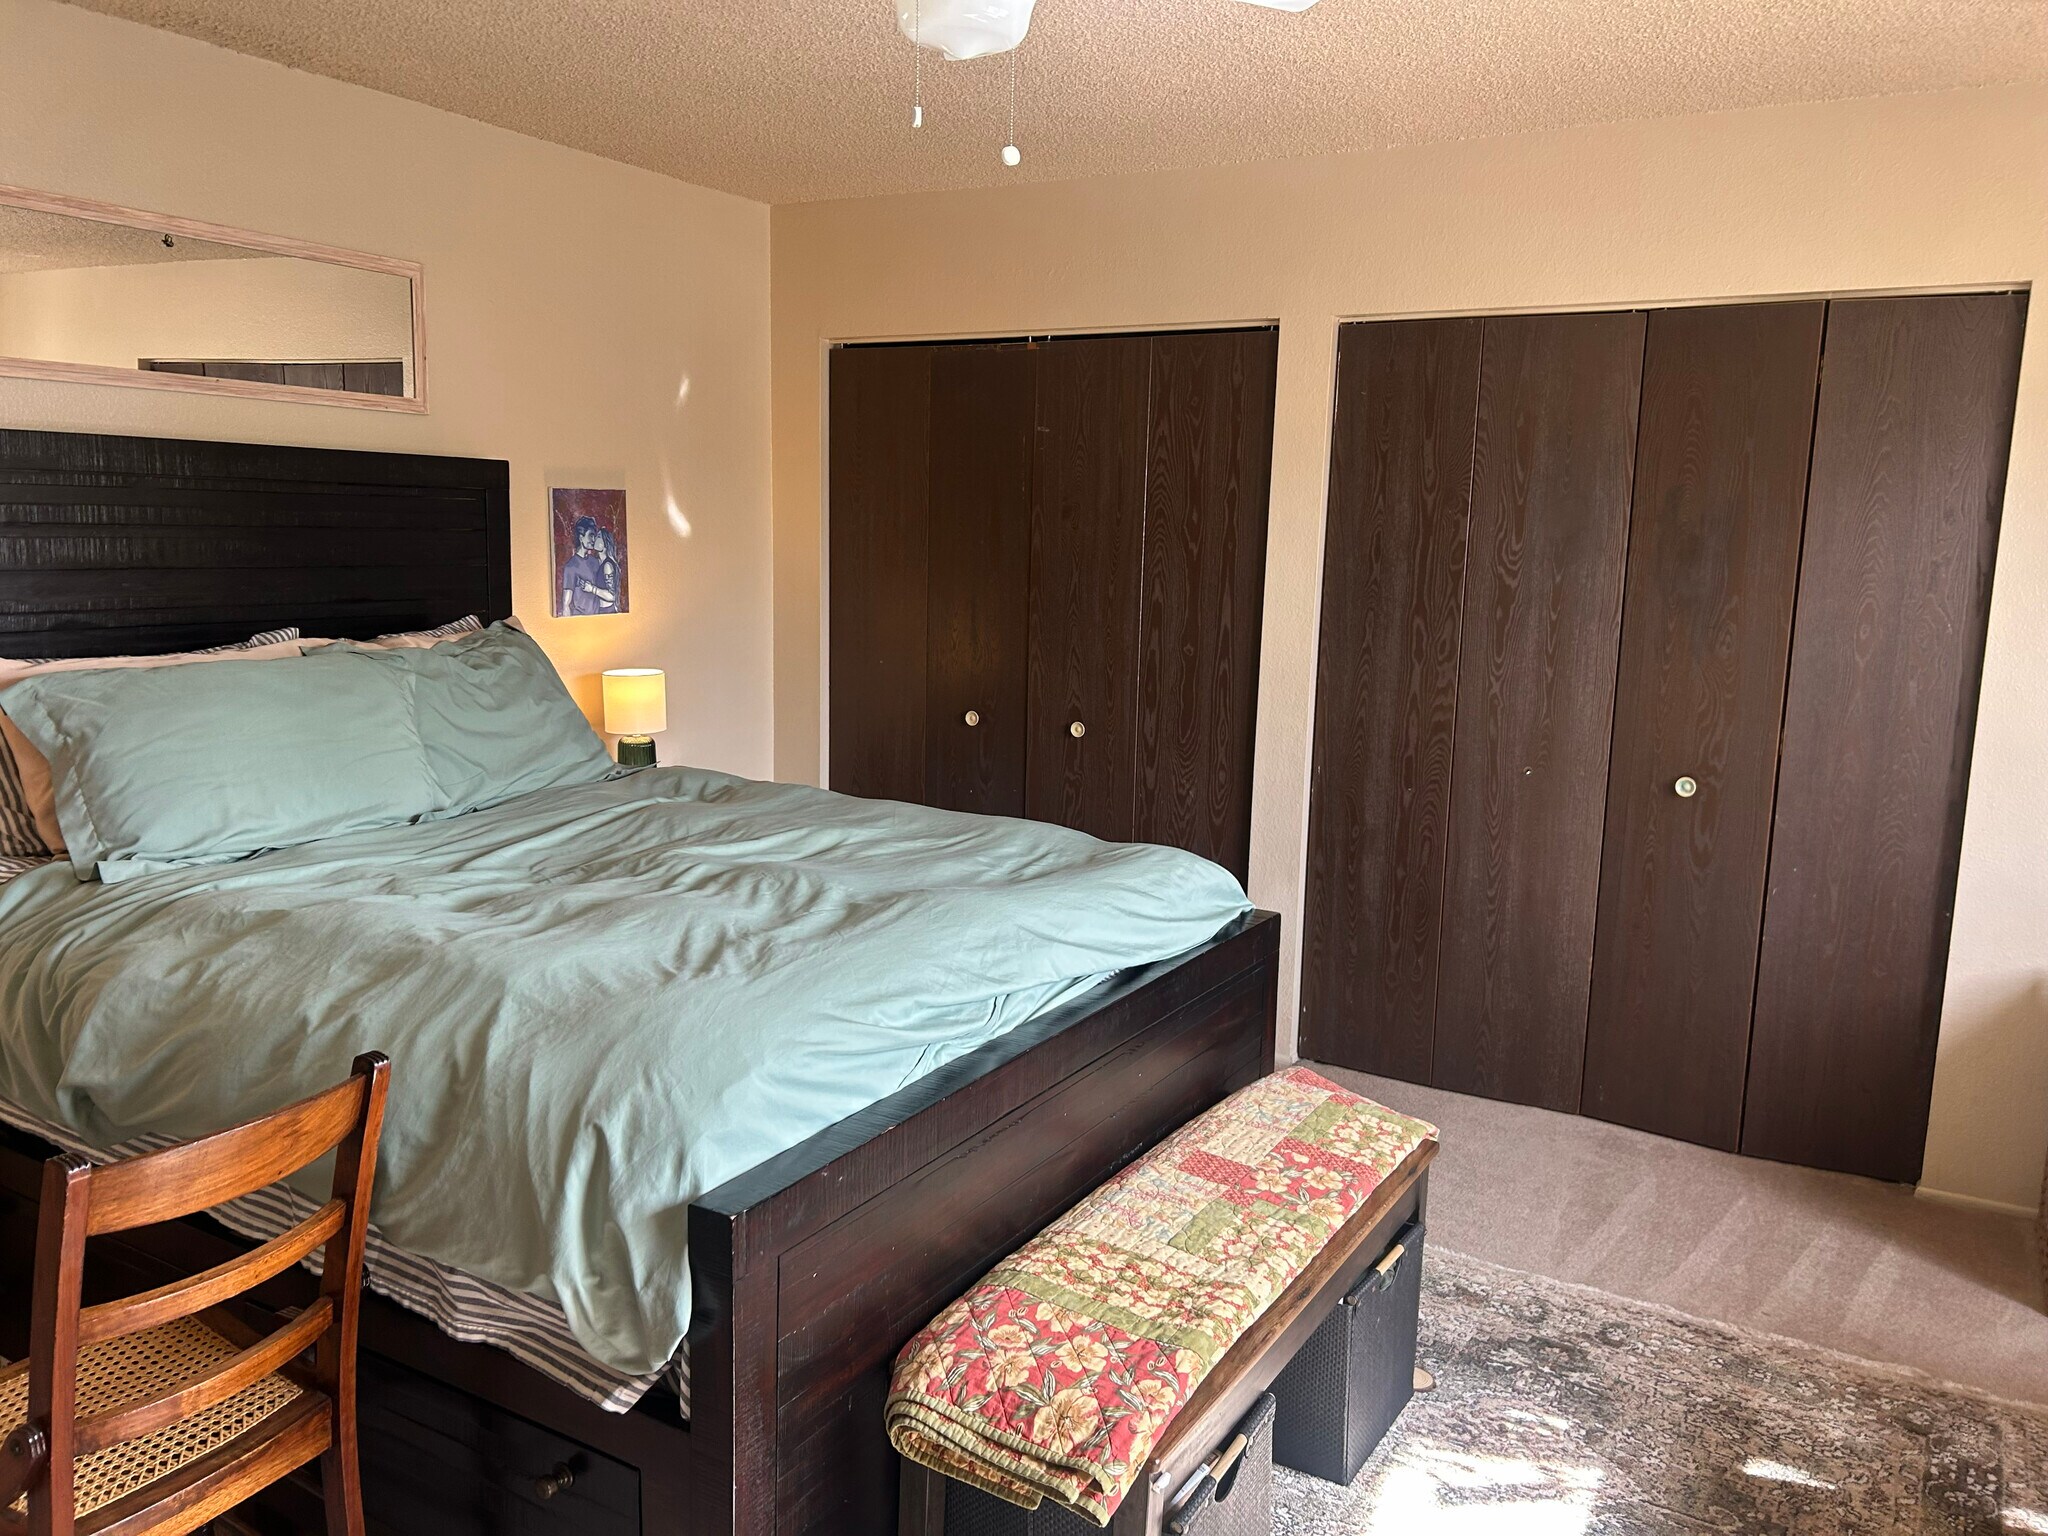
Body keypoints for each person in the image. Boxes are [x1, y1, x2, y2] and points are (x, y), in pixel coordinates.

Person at [559, 515, 620, 616]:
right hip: (581, 620)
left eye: (594, 536)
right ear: (581, 537)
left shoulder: (596, 562)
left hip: (600, 617)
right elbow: (566, 604)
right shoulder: (571, 567)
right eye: (590, 535)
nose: (593, 539)